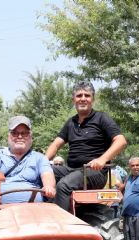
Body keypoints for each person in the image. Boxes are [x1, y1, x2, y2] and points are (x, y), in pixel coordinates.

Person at [45, 81, 127, 212]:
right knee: (42, 173)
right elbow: (56, 144)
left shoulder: (101, 118)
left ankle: (62, 227)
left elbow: (121, 141)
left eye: (87, 95)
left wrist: (102, 159)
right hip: (71, 169)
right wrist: (41, 163)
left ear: (92, 99)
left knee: (63, 185)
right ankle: (43, 214)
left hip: (94, 172)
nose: (83, 99)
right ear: (73, 99)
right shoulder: (71, 122)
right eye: (79, 95)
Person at [0, 116, 56, 239]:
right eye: (15, 133)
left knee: (54, 235)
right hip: (0, 210)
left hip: (34, 211)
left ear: (30, 137)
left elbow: (47, 175)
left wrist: (49, 187)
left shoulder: (39, 157)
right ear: (8, 136)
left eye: (24, 133)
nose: (20, 136)